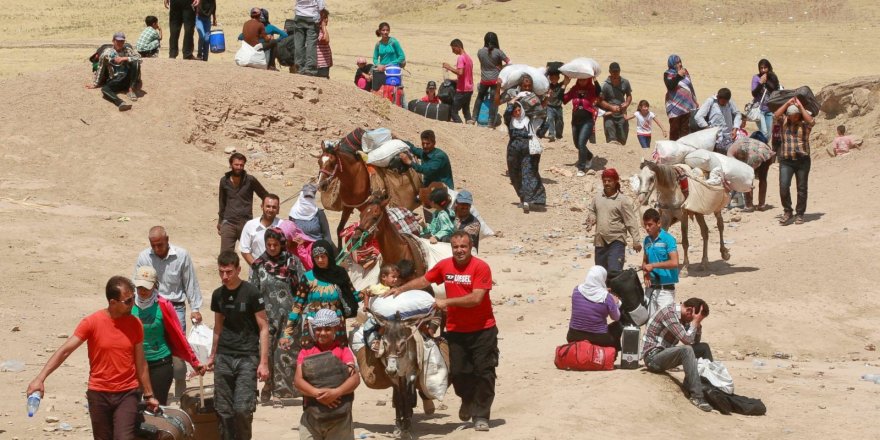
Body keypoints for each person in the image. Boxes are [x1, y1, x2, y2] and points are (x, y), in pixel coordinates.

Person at [388, 231, 497, 432]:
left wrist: (446, 302)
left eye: (463, 246)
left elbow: (476, 298)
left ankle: (481, 415)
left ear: (470, 247)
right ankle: (467, 400)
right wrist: (401, 289)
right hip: (456, 330)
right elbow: (424, 280)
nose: (459, 250)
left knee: (484, 372)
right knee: (458, 372)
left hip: (483, 330)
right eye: (456, 247)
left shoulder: (481, 267)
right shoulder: (445, 265)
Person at [26, 277, 160, 439]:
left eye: (133, 298)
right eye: (128, 301)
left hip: (128, 392)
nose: (133, 303)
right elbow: (65, 351)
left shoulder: (135, 323)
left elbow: (141, 362)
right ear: (113, 302)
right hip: (99, 393)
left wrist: (149, 395)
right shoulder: (92, 322)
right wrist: (40, 379)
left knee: (124, 437)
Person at [134, 225, 203, 401]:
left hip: (175, 306)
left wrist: (195, 308)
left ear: (167, 240)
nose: (157, 249)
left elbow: (190, 282)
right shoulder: (144, 257)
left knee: (177, 345)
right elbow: (138, 284)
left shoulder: (182, 255)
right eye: (153, 245)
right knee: (147, 344)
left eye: (160, 245)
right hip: (150, 305)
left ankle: (180, 390)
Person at [206, 251, 270, 440]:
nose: (225, 276)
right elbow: (217, 327)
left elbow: (264, 327)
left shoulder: (252, 293)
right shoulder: (218, 295)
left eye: (229, 272)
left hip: (247, 357)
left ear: (238, 269)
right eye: (221, 272)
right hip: (224, 355)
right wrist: (212, 356)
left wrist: (263, 362)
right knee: (223, 410)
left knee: (242, 409)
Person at [252, 227, 306, 406]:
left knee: (284, 354)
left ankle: (279, 392)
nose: (272, 248)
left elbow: (303, 288)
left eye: (275, 244)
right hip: (265, 317)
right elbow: (253, 291)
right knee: (267, 352)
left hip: (289, 316)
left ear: (282, 244)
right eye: (269, 244)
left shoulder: (293, 262)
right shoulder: (259, 264)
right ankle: (268, 385)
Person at [294, 309, 360, 440]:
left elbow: (355, 379)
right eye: (319, 329)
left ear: (335, 329)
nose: (323, 333)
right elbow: (298, 380)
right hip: (312, 417)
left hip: (340, 419)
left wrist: (336, 392)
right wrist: (317, 393)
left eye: (328, 329)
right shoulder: (306, 352)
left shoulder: (343, 351)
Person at [642, 298, 714, 412]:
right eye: (694, 318)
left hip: (665, 354)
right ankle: (697, 397)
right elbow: (687, 340)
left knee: (704, 348)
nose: (693, 321)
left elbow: (695, 342)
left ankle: (710, 389)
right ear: (689, 311)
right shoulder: (669, 314)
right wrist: (694, 323)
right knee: (686, 350)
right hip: (652, 358)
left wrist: (697, 325)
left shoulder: (684, 318)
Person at [282, 240, 360, 345]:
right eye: (316, 257)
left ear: (329, 256)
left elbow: (353, 296)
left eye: (323, 256)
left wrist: (368, 292)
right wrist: (287, 333)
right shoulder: (308, 277)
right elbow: (298, 305)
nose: (319, 260)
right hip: (314, 328)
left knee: (336, 355)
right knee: (313, 355)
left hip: (336, 329)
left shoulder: (340, 274)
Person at [586, 168, 642, 272]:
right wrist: (592, 218)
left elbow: (631, 221)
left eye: (609, 181)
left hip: (616, 241)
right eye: (604, 181)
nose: (606, 183)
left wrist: (636, 240)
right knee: (601, 273)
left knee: (614, 272)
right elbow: (592, 211)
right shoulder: (597, 198)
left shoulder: (622, 200)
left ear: (616, 181)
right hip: (600, 241)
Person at [773, 98, 815, 225]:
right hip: (786, 160)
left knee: (801, 188)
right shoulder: (784, 123)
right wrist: (787, 103)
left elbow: (812, 121)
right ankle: (788, 211)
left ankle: (800, 214)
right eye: (791, 115)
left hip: (802, 161)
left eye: (796, 115)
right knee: (784, 187)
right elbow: (776, 115)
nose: (793, 117)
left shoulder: (805, 125)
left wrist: (800, 107)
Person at [218, 152, 269, 253]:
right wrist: (220, 221)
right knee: (225, 255)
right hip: (228, 222)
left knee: (253, 253)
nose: (239, 167)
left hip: (246, 223)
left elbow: (265, 195)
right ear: (231, 164)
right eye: (236, 164)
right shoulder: (224, 181)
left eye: (241, 165)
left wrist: (266, 210)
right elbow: (222, 202)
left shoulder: (250, 180)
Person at [567, 266, 623, 354]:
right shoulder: (606, 297)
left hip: (573, 335)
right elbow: (616, 317)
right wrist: (615, 302)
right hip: (598, 338)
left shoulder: (576, 291)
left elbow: (589, 301)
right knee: (618, 326)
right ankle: (612, 354)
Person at [506, 101, 547, 213]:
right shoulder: (509, 121)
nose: (517, 113)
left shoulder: (529, 121)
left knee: (528, 173)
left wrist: (545, 121)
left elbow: (540, 133)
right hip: (513, 152)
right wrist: (514, 100)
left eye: (519, 110)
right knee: (515, 174)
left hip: (528, 151)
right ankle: (522, 197)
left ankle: (530, 200)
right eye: (515, 111)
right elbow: (507, 112)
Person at [88, 32, 142, 111]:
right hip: (116, 79)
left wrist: (125, 58)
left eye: (122, 41)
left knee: (136, 62)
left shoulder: (127, 50)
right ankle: (121, 103)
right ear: (113, 41)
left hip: (128, 77)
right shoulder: (107, 53)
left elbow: (139, 58)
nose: (120, 43)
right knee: (104, 89)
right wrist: (95, 83)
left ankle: (131, 89)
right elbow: (101, 67)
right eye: (118, 41)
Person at [641, 208, 679, 320]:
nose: (647, 228)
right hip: (650, 289)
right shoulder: (646, 240)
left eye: (650, 225)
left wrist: (653, 266)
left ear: (658, 223)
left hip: (665, 290)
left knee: (665, 323)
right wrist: (646, 274)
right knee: (649, 323)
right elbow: (645, 260)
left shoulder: (668, 239)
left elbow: (674, 262)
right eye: (645, 225)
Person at [563, 75, 602, 176]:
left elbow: (599, 91)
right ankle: (589, 156)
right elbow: (563, 99)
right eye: (580, 79)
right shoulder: (574, 89)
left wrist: (595, 79)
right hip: (575, 121)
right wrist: (564, 84)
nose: (582, 81)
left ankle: (581, 168)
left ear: (588, 79)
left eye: (584, 79)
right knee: (577, 144)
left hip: (587, 121)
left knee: (581, 143)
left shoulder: (592, 89)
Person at [471, 32, 509, 128]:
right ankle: (490, 122)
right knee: (493, 101)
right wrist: (501, 67)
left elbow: (483, 63)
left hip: (484, 79)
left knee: (479, 97)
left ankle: (473, 118)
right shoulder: (498, 52)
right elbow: (510, 62)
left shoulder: (480, 52)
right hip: (495, 80)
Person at [728, 137, 775, 212]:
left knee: (747, 179)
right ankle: (761, 205)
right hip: (767, 152)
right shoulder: (739, 143)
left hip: (754, 155)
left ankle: (749, 206)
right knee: (763, 178)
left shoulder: (729, 153)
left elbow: (735, 167)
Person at [694, 88, 742, 153]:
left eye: (725, 102)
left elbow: (737, 114)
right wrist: (708, 130)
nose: (724, 104)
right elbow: (698, 116)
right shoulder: (710, 101)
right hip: (715, 138)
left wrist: (735, 129)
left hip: (728, 136)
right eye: (722, 102)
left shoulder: (730, 102)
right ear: (717, 97)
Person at [240, 194, 282, 269]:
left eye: (274, 207)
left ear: (278, 210)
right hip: (256, 272)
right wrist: (258, 268)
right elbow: (245, 250)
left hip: (278, 272)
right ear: (262, 206)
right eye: (268, 206)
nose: (270, 210)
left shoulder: (283, 226)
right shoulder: (250, 225)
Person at [663, 54, 698, 140]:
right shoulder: (667, 74)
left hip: (687, 106)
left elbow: (690, 86)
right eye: (677, 63)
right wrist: (678, 76)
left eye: (680, 62)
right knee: (675, 132)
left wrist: (694, 99)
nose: (680, 64)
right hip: (674, 107)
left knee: (685, 133)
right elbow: (670, 86)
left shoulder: (685, 71)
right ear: (672, 64)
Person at [599, 62, 633, 145]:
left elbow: (629, 95)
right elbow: (600, 101)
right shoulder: (605, 85)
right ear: (610, 72)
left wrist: (627, 103)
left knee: (623, 139)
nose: (615, 73)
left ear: (619, 71)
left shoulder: (625, 82)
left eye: (617, 71)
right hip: (609, 115)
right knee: (611, 139)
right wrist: (611, 107)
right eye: (613, 72)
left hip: (622, 114)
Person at [443, 39, 474, 123]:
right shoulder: (469, 58)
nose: (453, 51)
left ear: (458, 47)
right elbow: (466, 76)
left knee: (453, 111)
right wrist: (453, 80)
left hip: (462, 90)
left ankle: (460, 126)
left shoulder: (461, 58)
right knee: (466, 110)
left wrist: (449, 67)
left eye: (453, 49)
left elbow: (460, 72)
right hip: (469, 89)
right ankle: (469, 125)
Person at [292, 0, 326, 76]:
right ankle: (310, 68)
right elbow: (321, 6)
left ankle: (299, 66)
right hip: (312, 16)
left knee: (299, 43)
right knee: (311, 43)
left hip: (299, 15)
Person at [750, 59, 781, 138]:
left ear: (769, 68)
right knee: (764, 133)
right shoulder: (756, 78)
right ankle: (755, 139)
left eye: (765, 68)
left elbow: (775, 90)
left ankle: (759, 143)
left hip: (769, 110)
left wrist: (766, 81)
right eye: (761, 68)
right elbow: (754, 94)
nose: (763, 70)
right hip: (759, 109)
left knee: (768, 135)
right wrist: (760, 83)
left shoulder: (773, 77)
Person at [537, 68, 565, 141]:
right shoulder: (547, 86)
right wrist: (547, 72)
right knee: (550, 119)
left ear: (558, 78)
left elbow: (567, 80)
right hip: (549, 106)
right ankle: (551, 134)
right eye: (552, 78)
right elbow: (542, 79)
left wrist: (563, 72)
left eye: (555, 78)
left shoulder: (561, 85)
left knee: (559, 121)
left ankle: (559, 135)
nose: (553, 79)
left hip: (558, 107)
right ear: (549, 78)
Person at [315, 9, 332, 78]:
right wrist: (324, 26)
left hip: (325, 64)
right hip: (320, 65)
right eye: (324, 18)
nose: (327, 20)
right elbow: (326, 40)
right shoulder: (317, 31)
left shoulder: (322, 31)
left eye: (327, 17)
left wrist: (330, 61)